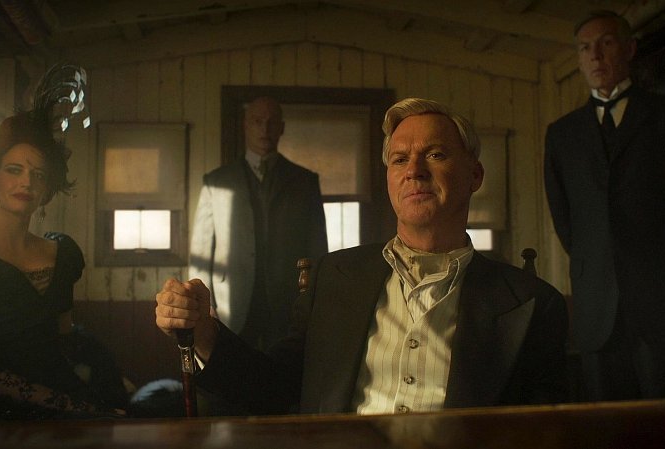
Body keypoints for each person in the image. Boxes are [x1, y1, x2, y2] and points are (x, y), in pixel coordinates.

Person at [157, 98, 569, 415]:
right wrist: (204, 332)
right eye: (399, 159)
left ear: (474, 175)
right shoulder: (334, 279)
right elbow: (274, 386)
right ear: (389, 178)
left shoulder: (532, 304)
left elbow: (542, 434)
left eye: (436, 154)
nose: (414, 170)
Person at [0, 66, 128, 420]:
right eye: (14, 170)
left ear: (47, 189)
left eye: (38, 174)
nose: (26, 183)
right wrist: (83, 409)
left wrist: (108, 388)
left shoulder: (63, 254)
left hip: (72, 401)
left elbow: (65, 343)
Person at [544, 11, 665, 401]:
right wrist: (601, 269)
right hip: (596, 316)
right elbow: (566, 221)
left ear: (629, 48)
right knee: (607, 424)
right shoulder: (561, 135)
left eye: (606, 43)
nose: (595, 55)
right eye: (585, 48)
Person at [188, 96, 328, 352]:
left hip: (288, 300)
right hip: (231, 301)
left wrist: (314, 300)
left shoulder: (304, 181)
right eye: (257, 121)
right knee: (235, 369)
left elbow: (318, 246)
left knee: (283, 369)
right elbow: (201, 250)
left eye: (271, 122)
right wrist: (203, 305)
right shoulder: (217, 181)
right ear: (245, 125)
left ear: (281, 128)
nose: (265, 129)